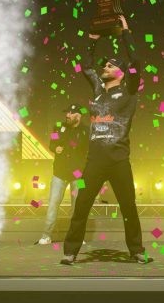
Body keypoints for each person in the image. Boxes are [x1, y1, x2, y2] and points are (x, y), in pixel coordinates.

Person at [61, 15, 151, 265]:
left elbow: (136, 60)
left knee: (128, 207)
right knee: (81, 205)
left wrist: (125, 32)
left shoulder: (130, 89)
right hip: (94, 161)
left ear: (122, 72)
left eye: (111, 66)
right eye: (106, 65)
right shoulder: (98, 90)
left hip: (119, 159)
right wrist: (92, 40)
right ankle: (70, 251)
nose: (106, 68)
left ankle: (136, 250)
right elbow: (85, 65)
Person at [37, 104, 89, 245]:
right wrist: (55, 148)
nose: (67, 115)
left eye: (71, 113)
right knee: (53, 204)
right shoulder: (58, 126)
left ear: (78, 115)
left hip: (78, 174)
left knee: (78, 206)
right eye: (67, 112)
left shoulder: (86, 130)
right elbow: (51, 144)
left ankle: (77, 237)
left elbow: (89, 151)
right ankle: (46, 236)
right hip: (59, 173)